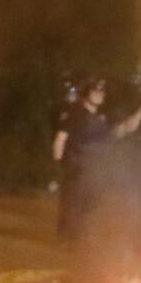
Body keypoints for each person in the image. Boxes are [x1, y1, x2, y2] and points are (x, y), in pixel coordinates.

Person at [54, 77, 110, 241]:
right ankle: (66, 238)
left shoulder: (100, 118)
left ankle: (83, 237)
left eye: (102, 91)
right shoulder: (74, 113)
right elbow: (60, 138)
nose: (100, 95)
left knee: (91, 204)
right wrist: (58, 164)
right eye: (96, 91)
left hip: (94, 169)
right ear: (87, 94)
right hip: (75, 167)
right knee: (72, 203)